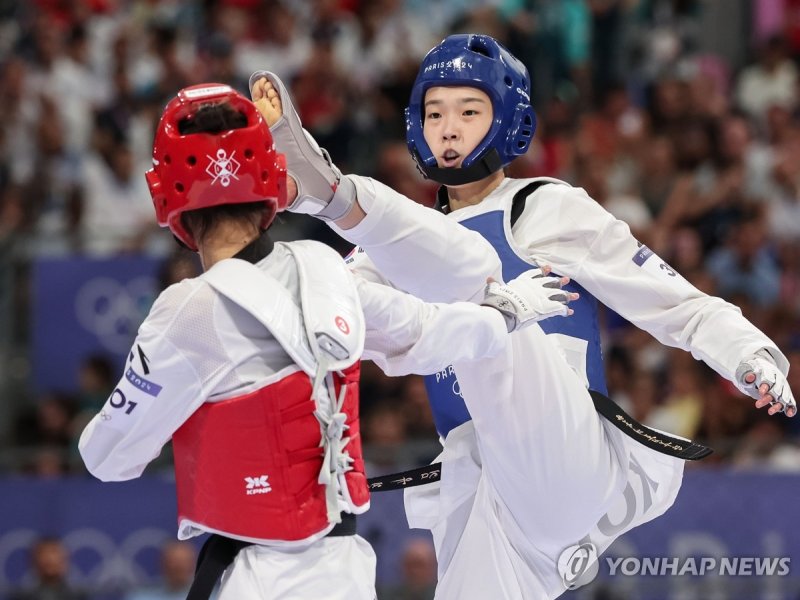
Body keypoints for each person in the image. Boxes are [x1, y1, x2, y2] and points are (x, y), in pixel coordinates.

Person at [249, 33, 795, 599]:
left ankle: (331, 194)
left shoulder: (544, 205)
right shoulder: (398, 244)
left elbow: (673, 301)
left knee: (468, 273)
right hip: (482, 494)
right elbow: (339, 319)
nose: (449, 127)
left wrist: (747, 353)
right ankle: (318, 200)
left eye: (469, 110)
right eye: (434, 112)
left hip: (564, 459)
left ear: (508, 120)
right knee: (343, 290)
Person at [77, 83, 576, 600]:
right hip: (347, 571)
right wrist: (506, 312)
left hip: (256, 577)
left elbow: (108, 457)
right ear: (270, 180)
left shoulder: (187, 313)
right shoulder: (326, 271)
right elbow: (427, 333)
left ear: (167, 192)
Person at [124, 541, 196, 600]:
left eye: (184, 562)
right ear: (163, 564)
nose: (178, 566)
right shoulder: (140, 596)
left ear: (193, 564)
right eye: (173, 562)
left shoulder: (204, 594)